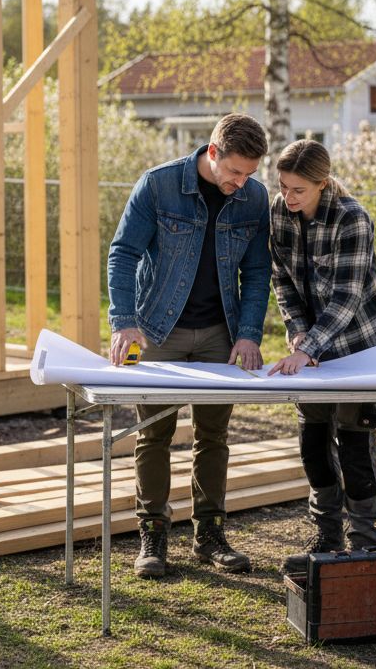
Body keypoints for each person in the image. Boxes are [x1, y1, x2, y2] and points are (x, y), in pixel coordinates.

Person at [107, 113, 272, 579]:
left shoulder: (254, 199)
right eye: (235, 172)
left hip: (221, 333)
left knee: (213, 435)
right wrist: (124, 322)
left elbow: (257, 273)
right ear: (213, 152)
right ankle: (153, 535)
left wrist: (249, 333)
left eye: (249, 174)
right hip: (157, 330)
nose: (241, 183)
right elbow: (123, 254)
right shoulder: (158, 186)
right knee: (154, 433)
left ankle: (210, 534)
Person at [265, 139, 376, 574]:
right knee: (313, 440)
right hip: (311, 350)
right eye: (283, 186)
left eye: (298, 190)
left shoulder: (351, 218)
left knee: (355, 444)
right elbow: (282, 280)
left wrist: (311, 347)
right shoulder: (279, 213)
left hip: (359, 345)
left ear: (323, 183)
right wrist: (299, 336)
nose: (289, 197)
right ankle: (327, 531)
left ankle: (363, 539)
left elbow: (347, 297)